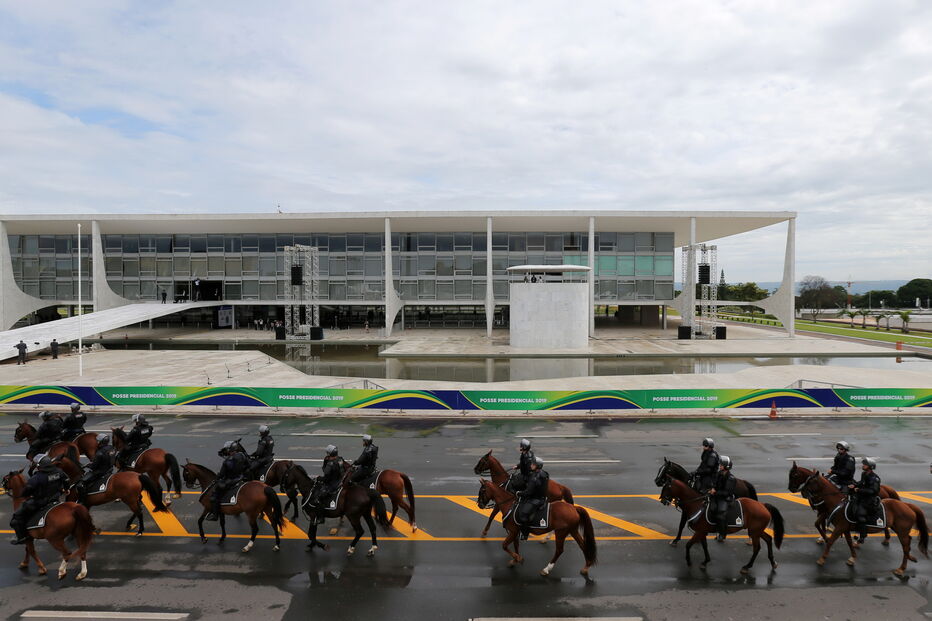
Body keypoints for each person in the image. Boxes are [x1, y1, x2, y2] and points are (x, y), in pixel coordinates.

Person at [9, 454, 68, 544]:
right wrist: (66, 489)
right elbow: (66, 480)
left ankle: (22, 538)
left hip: (41, 501)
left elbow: (27, 491)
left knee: (16, 518)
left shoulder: (37, 477)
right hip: (56, 498)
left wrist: (25, 495)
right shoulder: (59, 471)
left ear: (39, 466)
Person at [207, 441, 249, 521]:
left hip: (231, 481)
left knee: (214, 495)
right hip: (240, 478)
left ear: (229, 449)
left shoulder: (227, 461)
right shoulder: (242, 455)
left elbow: (222, 474)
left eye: (227, 449)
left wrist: (216, 478)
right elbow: (248, 466)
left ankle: (215, 515)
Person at [308, 445, 345, 523]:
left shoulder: (330, 463)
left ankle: (321, 518)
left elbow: (326, 476)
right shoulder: (340, 459)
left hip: (332, 484)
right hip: (340, 481)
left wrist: (319, 478)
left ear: (329, 453)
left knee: (318, 497)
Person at [75, 434, 115, 505]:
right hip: (110, 469)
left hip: (100, 472)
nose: (97, 442)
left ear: (101, 442)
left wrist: (88, 465)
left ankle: (82, 501)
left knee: (80, 484)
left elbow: (93, 466)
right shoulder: (111, 448)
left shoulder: (99, 453)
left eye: (98, 441)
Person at [849, 457, 881, 542]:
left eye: (865, 464)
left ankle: (862, 535)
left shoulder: (875, 478)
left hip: (869, 500)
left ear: (870, 467)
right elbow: (862, 483)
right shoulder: (864, 474)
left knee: (860, 514)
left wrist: (859, 490)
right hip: (862, 496)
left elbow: (873, 491)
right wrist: (855, 485)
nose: (863, 465)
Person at [516, 456, 550, 540]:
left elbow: (528, 492)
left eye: (533, 464)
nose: (531, 465)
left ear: (537, 466)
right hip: (542, 497)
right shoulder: (544, 473)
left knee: (523, 515)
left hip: (536, 500)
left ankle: (525, 534)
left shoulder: (534, 477)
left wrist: (519, 493)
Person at [709, 455, 737, 542]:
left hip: (725, 498)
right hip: (717, 495)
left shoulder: (731, 478)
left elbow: (726, 493)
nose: (720, 466)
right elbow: (715, 483)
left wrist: (715, 492)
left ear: (726, 467)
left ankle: (722, 533)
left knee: (720, 515)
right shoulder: (719, 473)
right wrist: (713, 488)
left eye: (721, 465)